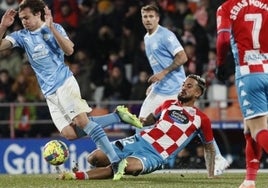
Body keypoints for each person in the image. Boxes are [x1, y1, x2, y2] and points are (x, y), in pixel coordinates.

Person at [0, 0, 142, 180]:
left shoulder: (55, 27)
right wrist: (3, 26)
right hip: (49, 92)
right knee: (69, 134)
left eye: (26, 17)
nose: (24, 22)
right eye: (21, 19)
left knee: (82, 122)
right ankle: (117, 116)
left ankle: (116, 162)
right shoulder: (21, 35)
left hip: (64, 83)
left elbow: (69, 50)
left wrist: (51, 29)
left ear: (38, 14)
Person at [59, 74, 216, 180]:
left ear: (197, 93)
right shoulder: (168, 104)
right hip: (138, 140)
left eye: (189, 86)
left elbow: (209, 147)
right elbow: (146, 121)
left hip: (156, 155)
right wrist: (128, 118)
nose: (183, 88)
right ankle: (94, 172)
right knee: (93, 157)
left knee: (125, 165)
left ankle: (78, 176)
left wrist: (211, 174)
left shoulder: (201, 119)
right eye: (183, 85)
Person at [139, 3, 229, 175]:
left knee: (198, 126)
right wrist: (155, 82)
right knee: (140, 123)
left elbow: (183, 57)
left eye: (151, 16)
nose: (148, 20)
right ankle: (145, 159)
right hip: (160, 89)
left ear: (157, 18)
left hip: (175, 89)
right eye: (145, 16)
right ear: (142, 18)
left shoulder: (166, 35)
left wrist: (163, 74)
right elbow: (158, 65)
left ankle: (218, 158)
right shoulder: (147, 38)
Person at [216, 1, 268, 188]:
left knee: (257, 129)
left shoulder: (227, 7)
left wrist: (221, 64)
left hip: (250, 73)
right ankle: (249, 179)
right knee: (249, 129)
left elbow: (222, 40)